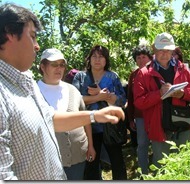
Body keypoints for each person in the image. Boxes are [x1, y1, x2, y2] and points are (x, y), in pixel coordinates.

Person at [0, 3, 124, 180]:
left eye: (61, 65)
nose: (36, 46)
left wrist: (95, 116)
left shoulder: (26, 82)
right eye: (33, 36)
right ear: (10, 34)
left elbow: (50, 119)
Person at [133, 32, 190, 168]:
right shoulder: (144, 73)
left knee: (183, 165)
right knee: (161, 167)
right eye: (161, 50)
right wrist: (159, 93)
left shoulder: (182, 69)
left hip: (182, 123)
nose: (164, 54)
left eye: (168, 50)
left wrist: (182, 94)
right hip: (159, 127)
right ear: (154, 50)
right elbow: (139, 102)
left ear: (172, 51)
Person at [37, 48, 95, 180]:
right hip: (46, 160)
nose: (59, 69)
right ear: (42, 66)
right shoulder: (33, 92)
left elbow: (84, 119)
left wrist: (90, 145)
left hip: (77, 155)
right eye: (54, 64)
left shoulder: (72, 90)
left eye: (62, 65)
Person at [72, 45, 127, 180]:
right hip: (88, 127)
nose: (97, 59)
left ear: (106, 60)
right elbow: (75, 100)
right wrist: (98, 97)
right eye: (94, 56)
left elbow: (121, 100)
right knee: (91, 164)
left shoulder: (112, 77)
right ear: (89, 59)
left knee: (117, 162)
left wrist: (105, 95)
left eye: (101, 56)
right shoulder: (81, 77)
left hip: (110, 126)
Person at [127, 45, 152, 174]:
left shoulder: (154, 71)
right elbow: (130, 99)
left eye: (144, 57)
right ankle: (144, 172)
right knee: (142, 144)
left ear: (150, 58)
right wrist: (131, 118)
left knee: (159, 144)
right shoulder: (133, 75)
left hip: (155, 114)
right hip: (140, 116)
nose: (141, 60)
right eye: (138, 58)